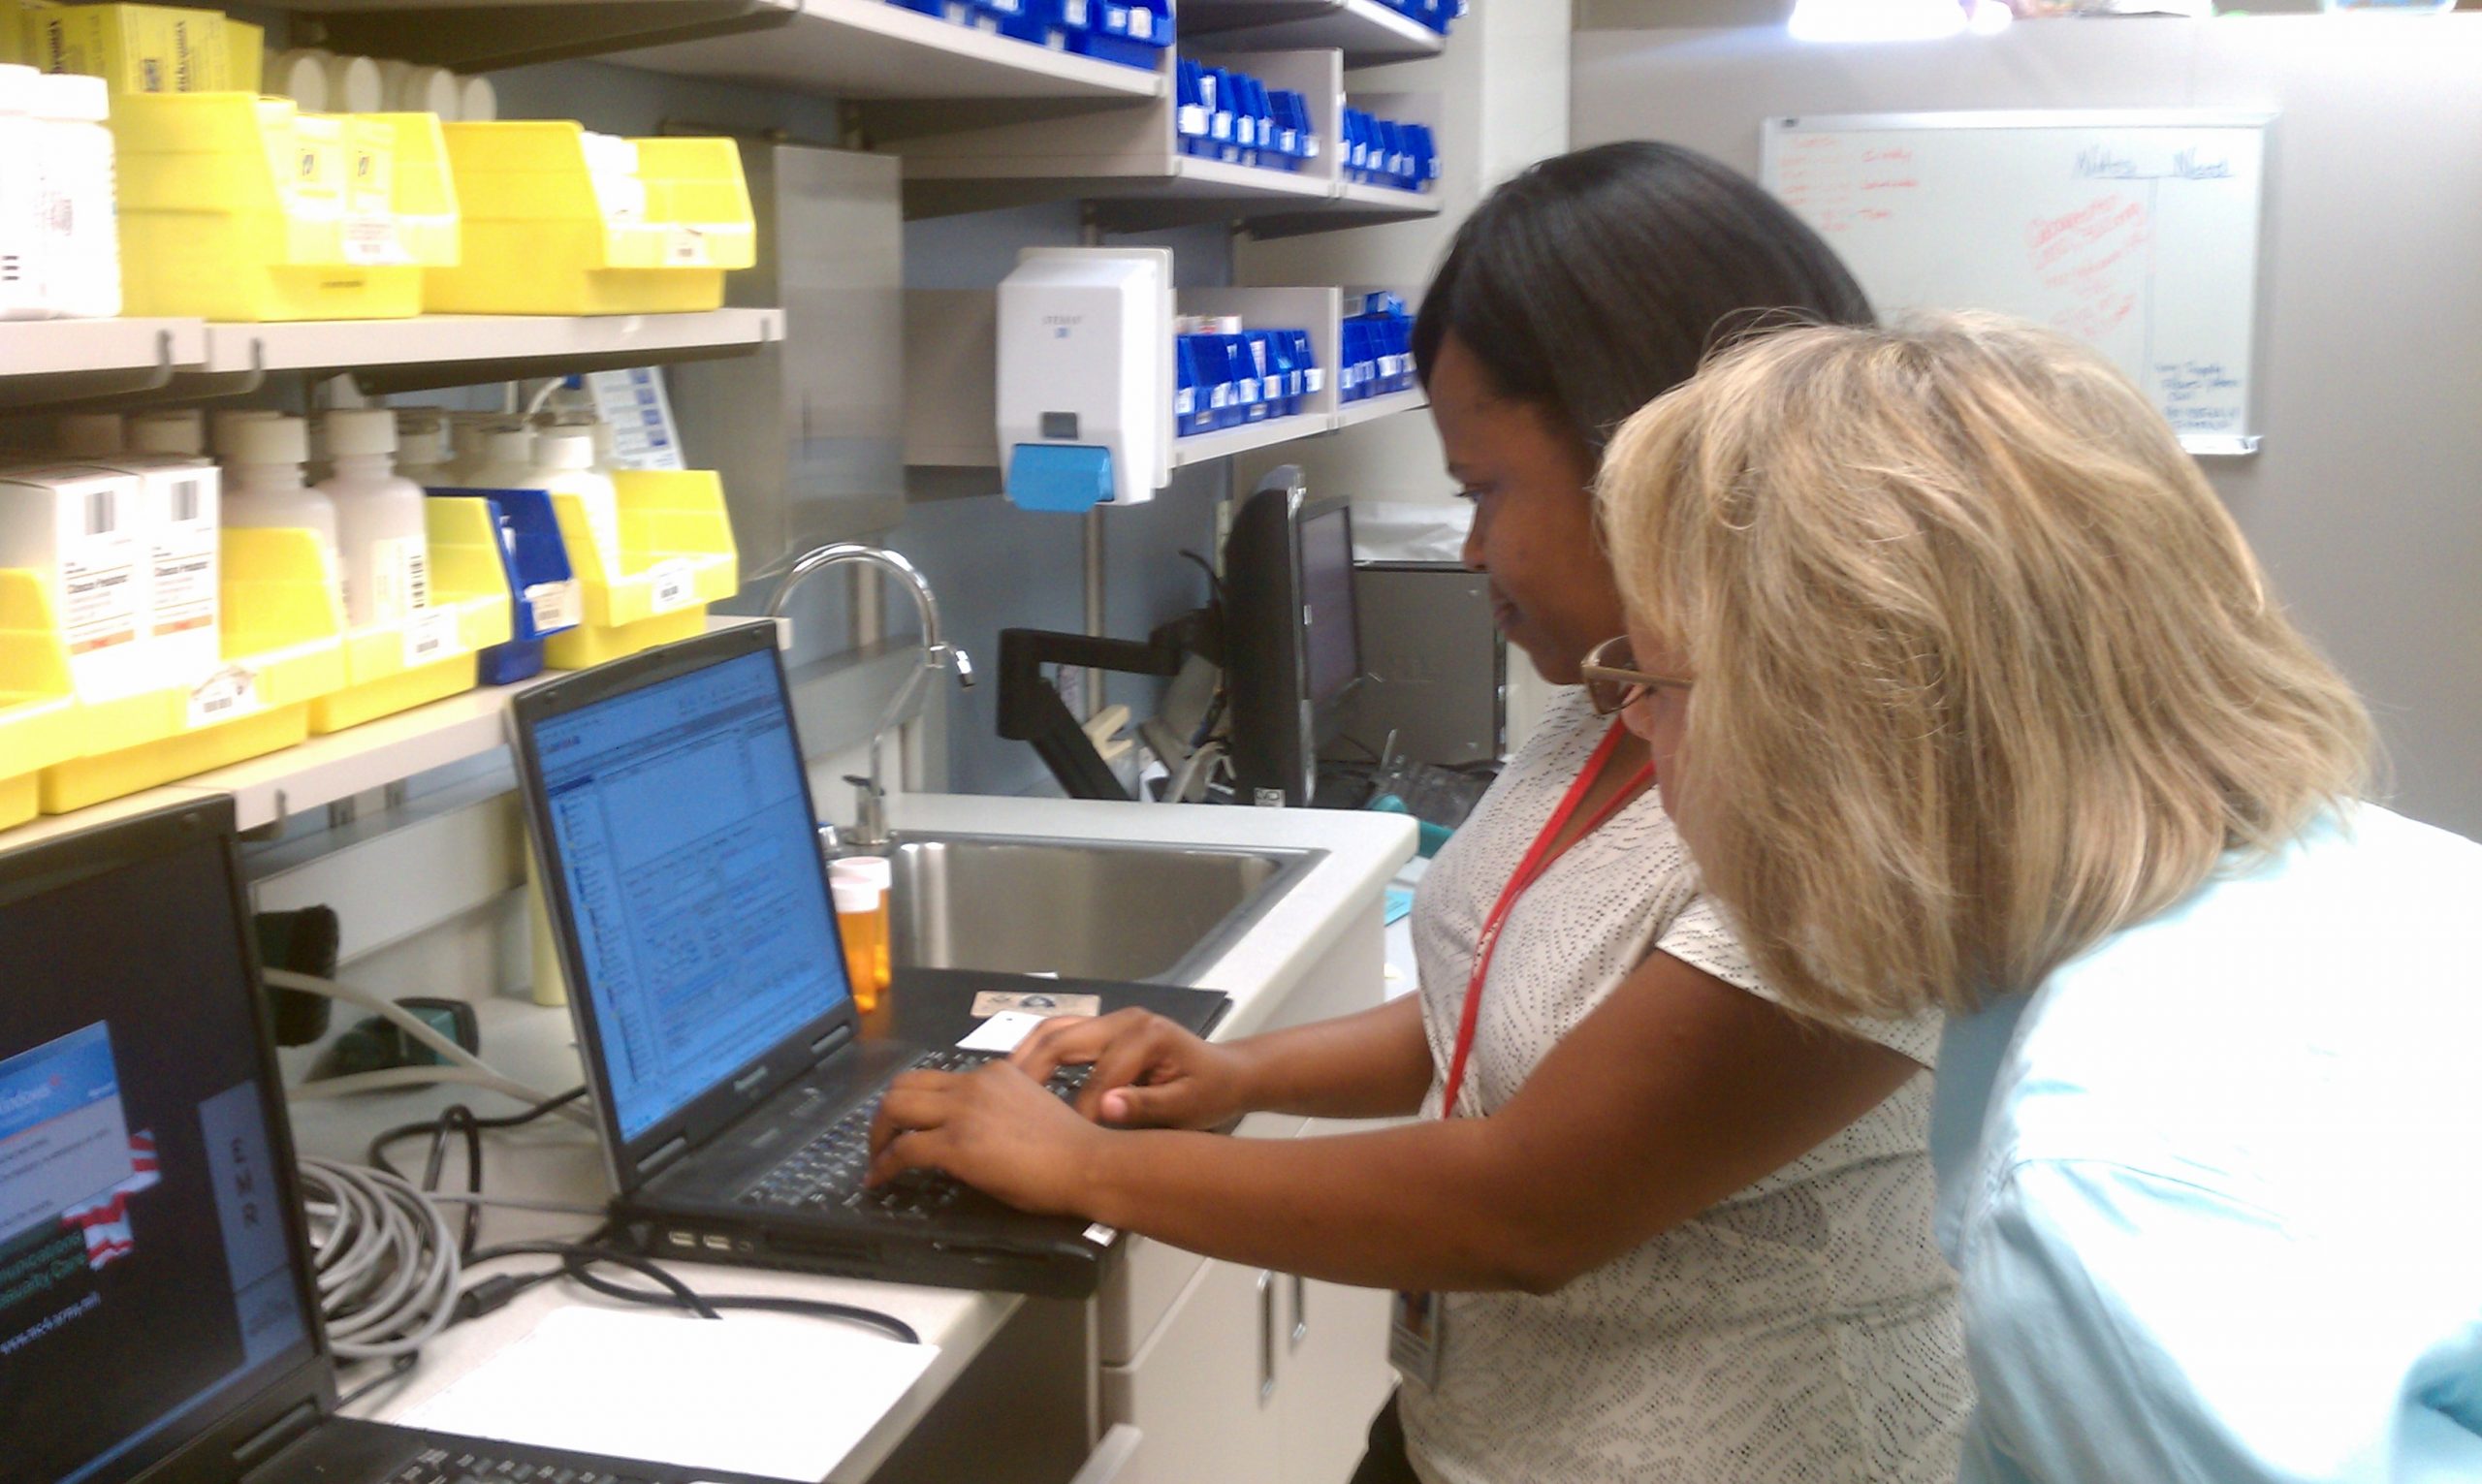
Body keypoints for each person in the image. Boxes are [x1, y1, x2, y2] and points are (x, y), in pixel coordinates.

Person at [868, 142, 1970, 1484]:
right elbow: (1521, 994)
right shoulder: (1617, 692)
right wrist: (1242, 1073)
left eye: (1484, 489)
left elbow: (1528, 1204)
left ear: (1653, 449)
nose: (1467, 550)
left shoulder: (1863, 801)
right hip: (1478, 1426)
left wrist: (1080, 1168)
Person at [1591, 310, 2482, 1483]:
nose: (1635, 722)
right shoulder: (2369, 868)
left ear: (1823, 737)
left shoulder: (2097, 1192)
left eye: (1652, 680)